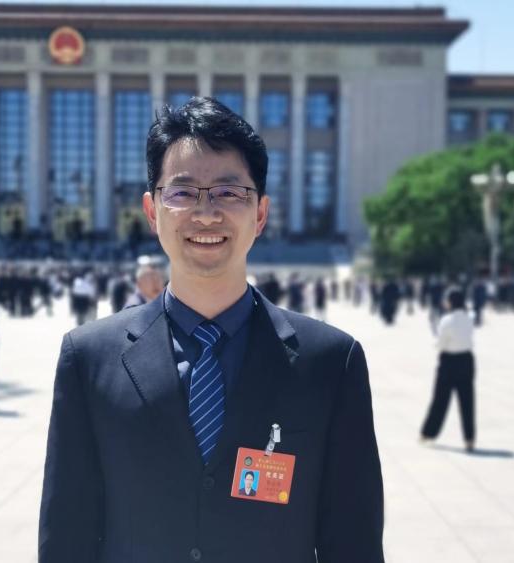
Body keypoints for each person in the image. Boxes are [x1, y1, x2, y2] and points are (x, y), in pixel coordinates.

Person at [39, 97, 384, 562]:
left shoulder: (329, 364)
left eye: (228, 192)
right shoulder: (90, 360)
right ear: (152, 211)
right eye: (182, 193)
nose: (205, 214)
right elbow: (67, 539)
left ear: (260, 213)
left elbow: (354, 545)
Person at [420, 286, 477, 452]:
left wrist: (434, 333)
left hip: (449, 361)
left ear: (450, 301)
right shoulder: (470, 317)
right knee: (467, 401)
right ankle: (469, 438)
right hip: (466, 360)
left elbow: (440, 344)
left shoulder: (447, 320)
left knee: (440, 400)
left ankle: (428, 433)